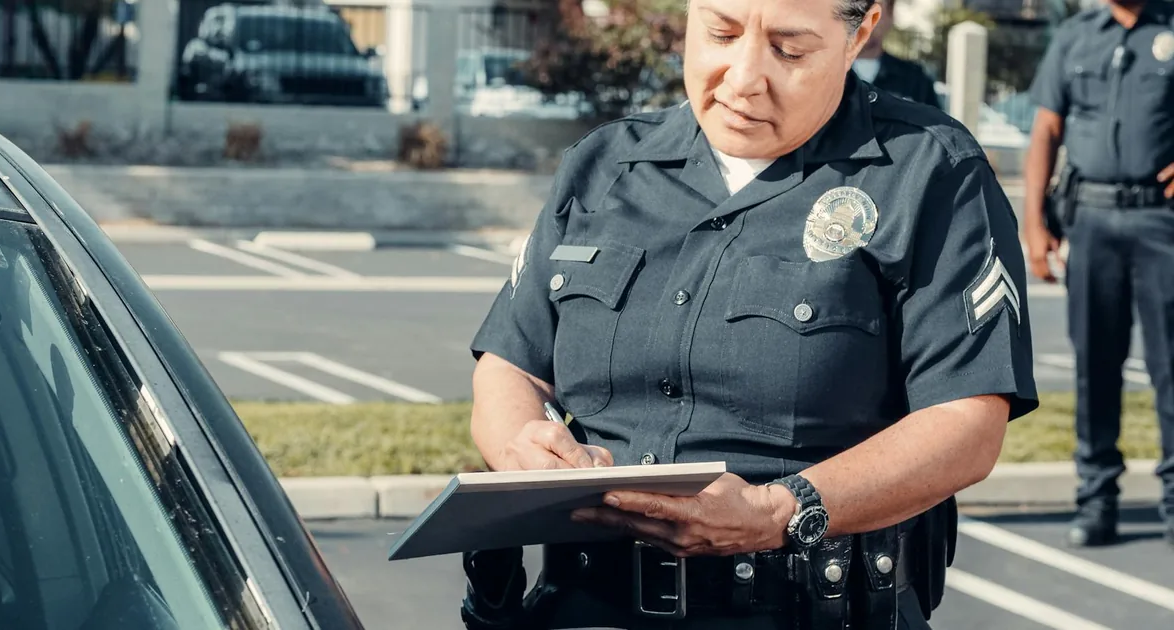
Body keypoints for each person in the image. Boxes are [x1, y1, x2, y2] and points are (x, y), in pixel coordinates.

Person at [463, 0, 1038, 628]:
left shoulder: (930, 174)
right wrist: (524, 445)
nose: (743, 78)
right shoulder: (604, 166)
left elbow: (968, 422)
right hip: (584, 605)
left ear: (860, 34)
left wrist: (779, 510)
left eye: (789, 49)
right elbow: (511, 365)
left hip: (807, 609)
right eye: (721, 33)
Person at [1024, 0, 1174, 549]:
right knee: (1095, 365)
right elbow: (1046, 129)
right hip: (1090, 222)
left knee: (1171, 368)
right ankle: (1097, 499)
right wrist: (1034, 225)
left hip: (1163, 221)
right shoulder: (1075, 35)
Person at [853, 0, 942, 108]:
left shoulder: (914, 80)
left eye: (871, 6)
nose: (864, 16)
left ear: (891, 15)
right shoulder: (830, 74)